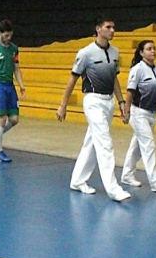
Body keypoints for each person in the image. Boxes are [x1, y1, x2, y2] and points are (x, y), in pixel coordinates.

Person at [56, 17, 130, 202]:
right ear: (98, 29)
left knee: (91, 142)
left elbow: (114, 79)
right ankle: (113, 189)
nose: (113, 30)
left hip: (108, 102)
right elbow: (72, 79)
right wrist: (63, 105)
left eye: (114, 27)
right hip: (93, 100)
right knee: (104, 143)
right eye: (108, 27)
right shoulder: (85, 53)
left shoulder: (114, 52)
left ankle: (78, 180)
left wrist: (121, 102)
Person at [120, 40, 156, 192]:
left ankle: (127, 174)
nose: (153, 51)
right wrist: (127, 111)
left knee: (136, 146)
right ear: (142, 53)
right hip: (139, 113)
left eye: (154, 49)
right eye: (149, 49)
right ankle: (154, 181)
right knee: (148, 144)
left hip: (153, 113)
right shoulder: (137, 69)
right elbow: (130, 91)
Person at [0, 19, 26, 163]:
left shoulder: (14, 48)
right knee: (2, 118)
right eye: (6, 36)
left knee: (14, 119)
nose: (9, 38)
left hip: (9, 85)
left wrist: (21, 85)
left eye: (10, 35)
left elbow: (16, 67)